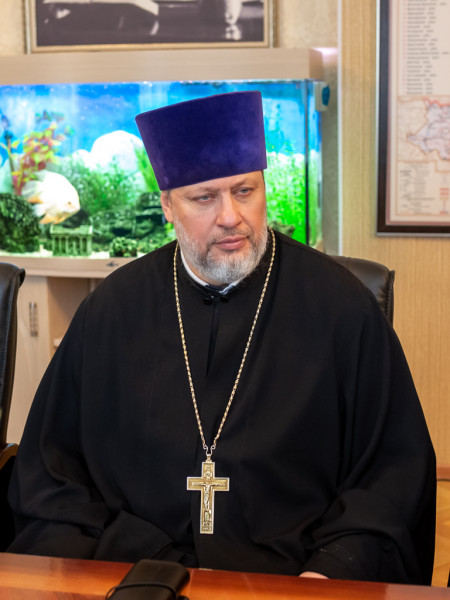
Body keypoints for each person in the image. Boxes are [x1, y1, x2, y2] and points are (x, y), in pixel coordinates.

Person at [8, 92, 436, 584]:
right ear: (167, 206)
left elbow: (392, 473)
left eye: (245, 191)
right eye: (204, 198)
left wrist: (331, 573)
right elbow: (52, 471)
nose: (231, 216)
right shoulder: (111, 309)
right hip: (131, 571)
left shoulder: (341, 306)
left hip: (290, 579)